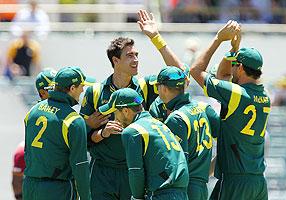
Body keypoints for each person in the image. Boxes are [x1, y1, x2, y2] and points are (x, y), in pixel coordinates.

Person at [80, 9, 185, 200]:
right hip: (102, 171)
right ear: (115, 60)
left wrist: (155, 37)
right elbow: (82, 136)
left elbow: (180, 75)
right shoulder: (94, 92)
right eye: (130, 55)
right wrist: (99, 131)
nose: (136, 60)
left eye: (137, 54)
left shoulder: (145, 86)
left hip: (134, 170)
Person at [190, 20, 270, 200]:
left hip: (235, 180)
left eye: (235, 64)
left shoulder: (236, 94)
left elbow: (195, 70)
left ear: (240, 67)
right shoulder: (265, 95)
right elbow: (224, 75)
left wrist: (219, 39)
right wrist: (235, 48)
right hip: (258, 181)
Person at [98, 88, 189, 200]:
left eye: (115, 113)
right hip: (181, 192)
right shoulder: (159, 124)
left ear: (125, 111)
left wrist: (137, 197)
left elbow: (136, 171)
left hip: (162, 193)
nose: (115, 119)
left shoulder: (132, 131)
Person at [149, 66, 220, 200]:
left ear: (163, 88)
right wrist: (204, 172)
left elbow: (177, 165)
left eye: (157, 87)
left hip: (185, 189)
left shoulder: (176, 118)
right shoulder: (200, 109)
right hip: (200, 187)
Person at [23, 66, 92, 200]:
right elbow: (80, 165)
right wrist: (85, 197)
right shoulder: (73, 120)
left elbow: (28, 150)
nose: (83, 90)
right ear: (72, 88)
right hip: (57, 189)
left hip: (30, 185)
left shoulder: (33, 111)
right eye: (81, 86)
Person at [12, 68, 57, 200]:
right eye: (54, 88)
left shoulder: (35, 111)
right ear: (42, 93)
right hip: (50, 182)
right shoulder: (51, 114)